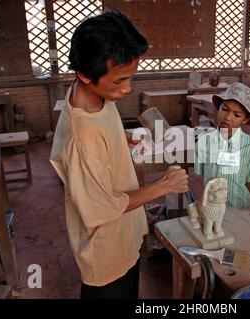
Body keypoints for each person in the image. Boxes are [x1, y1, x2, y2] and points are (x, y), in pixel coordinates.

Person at [49, 11, 189, 299]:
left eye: (131, 77)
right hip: (106, 251)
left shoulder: (91, 94)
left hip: (123, 237)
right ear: (85, 75)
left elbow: (102, 125)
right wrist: (165, 186)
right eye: (119, 81)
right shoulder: (83, 139)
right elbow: (101, 209)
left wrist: (124, 137)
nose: (127, 89)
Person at [194, 82, 250, 210]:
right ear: (218, 107)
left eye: (237, 115)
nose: (227, 117)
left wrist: (245, 213)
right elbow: (203, 177)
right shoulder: (204, 141)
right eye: (224, 109)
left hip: (240, 208)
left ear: (246, 120)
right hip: (211, 207)